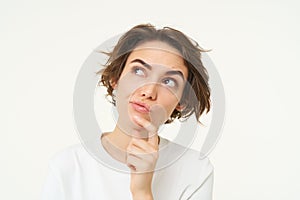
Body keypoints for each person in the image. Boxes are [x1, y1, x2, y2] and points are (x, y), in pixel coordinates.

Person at [42, 24, 213, 200]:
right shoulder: (68, 166)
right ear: (115, 78)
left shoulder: (196, 170)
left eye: (168, 81)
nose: (148, 91)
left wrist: (142, 192)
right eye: (138, 71)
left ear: (182, 101)